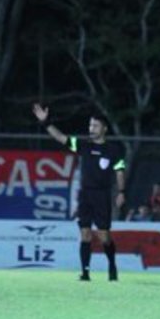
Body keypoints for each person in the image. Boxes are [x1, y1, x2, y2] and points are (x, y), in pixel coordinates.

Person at [32, 104, 125, 282]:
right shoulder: (83, 145)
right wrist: (45, 122)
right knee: (85, 233)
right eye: (90, 125)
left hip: (102, 196)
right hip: (85, 195)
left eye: (95, 126)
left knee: (104, 236)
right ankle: (85, 272)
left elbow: (120, 171)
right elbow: (61, 138)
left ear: (104, 129)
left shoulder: (113, 150)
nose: (92, 129)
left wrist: (121, 192)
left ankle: (112, 266)